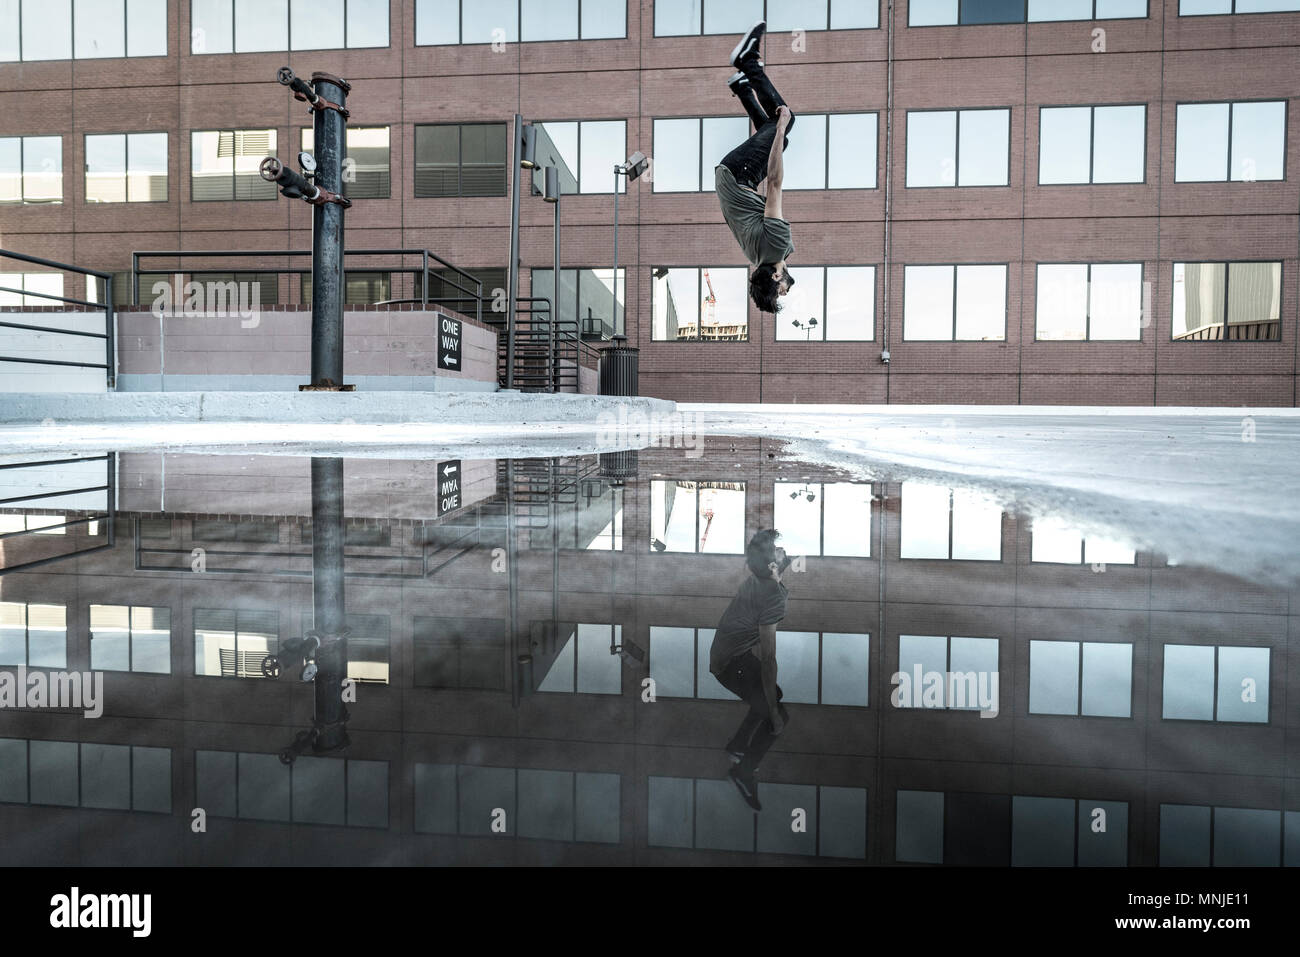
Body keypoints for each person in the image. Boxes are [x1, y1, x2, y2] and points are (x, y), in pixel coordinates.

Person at [715, 21, 796, 316]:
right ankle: (742, 87)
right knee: (778, 141)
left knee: (783, 125)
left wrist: (781, 126)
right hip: (730, 179)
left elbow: (774, 182)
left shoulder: (776, 246)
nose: (787, 288)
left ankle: (746, 61)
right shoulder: (758, 255)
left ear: (776, 278)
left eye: (782, 290)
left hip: (738, 174)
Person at [710, 528, 792, 811]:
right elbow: (769, 659)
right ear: (772, 565)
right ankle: (743, 772)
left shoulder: (759, 580)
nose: (785, 551)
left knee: (773, 694)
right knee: (777, 714)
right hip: (729, 664)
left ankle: (737, 744)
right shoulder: (772, 597)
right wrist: (772, 713)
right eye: (780, 550)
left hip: (731, 654)